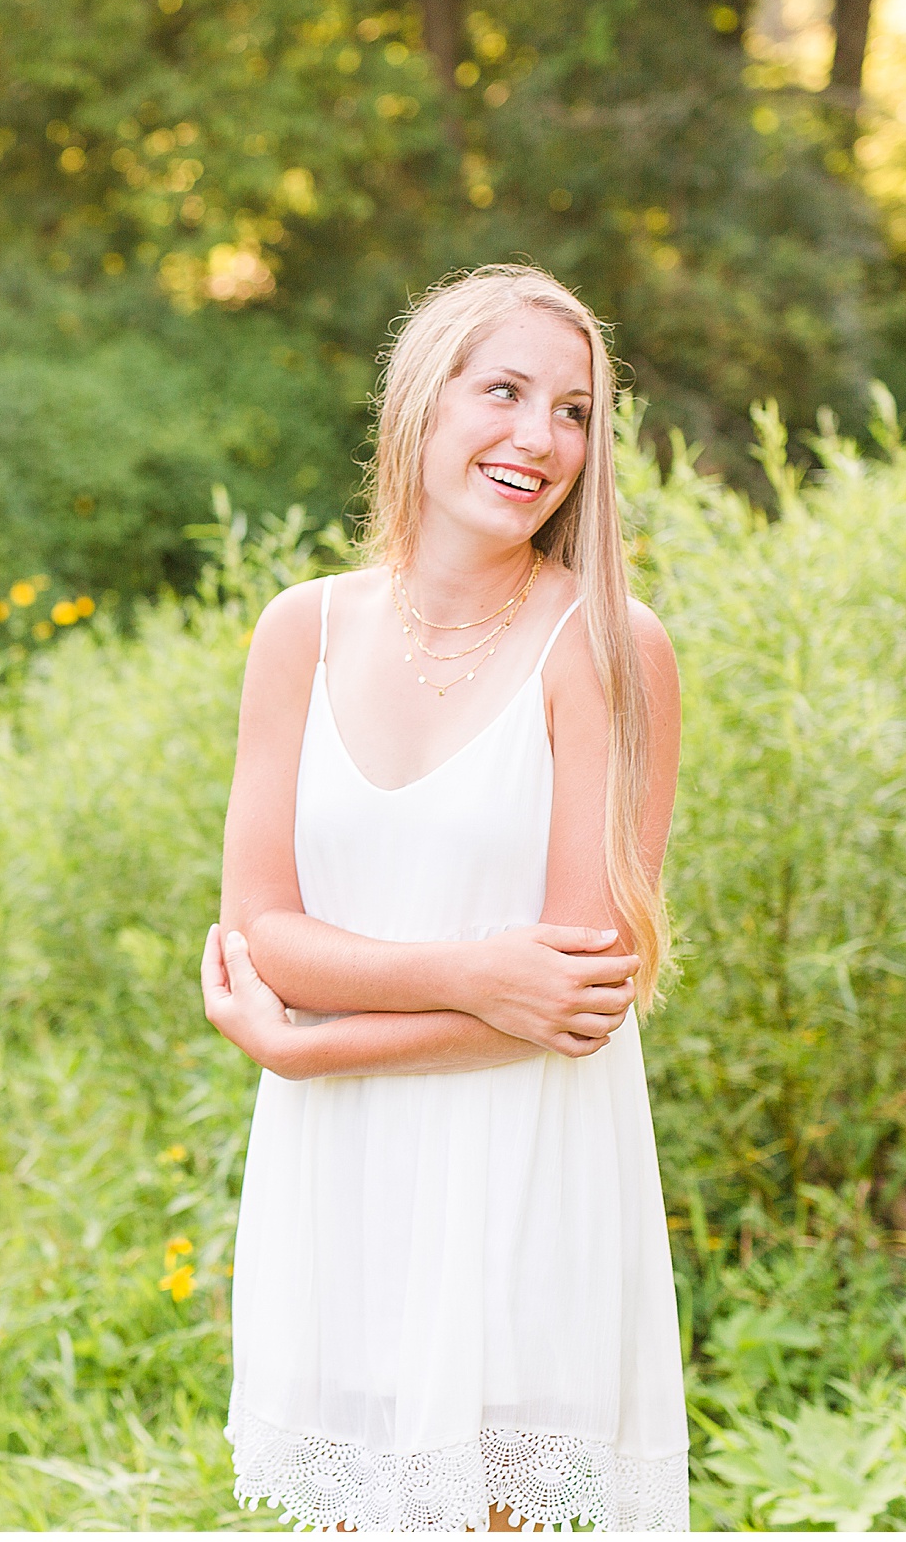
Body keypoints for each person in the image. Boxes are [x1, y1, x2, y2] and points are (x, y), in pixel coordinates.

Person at [198, 263, 689, 1532]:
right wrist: (475, 973)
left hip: (521, 1166)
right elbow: (263, 934)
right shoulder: (298, 631)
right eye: (506, 392)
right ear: (423, 402)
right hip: (345, 1173)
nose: (541, 437)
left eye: (575, 410)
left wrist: (314, 1051)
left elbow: (577, 1003)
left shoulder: (609, 646)